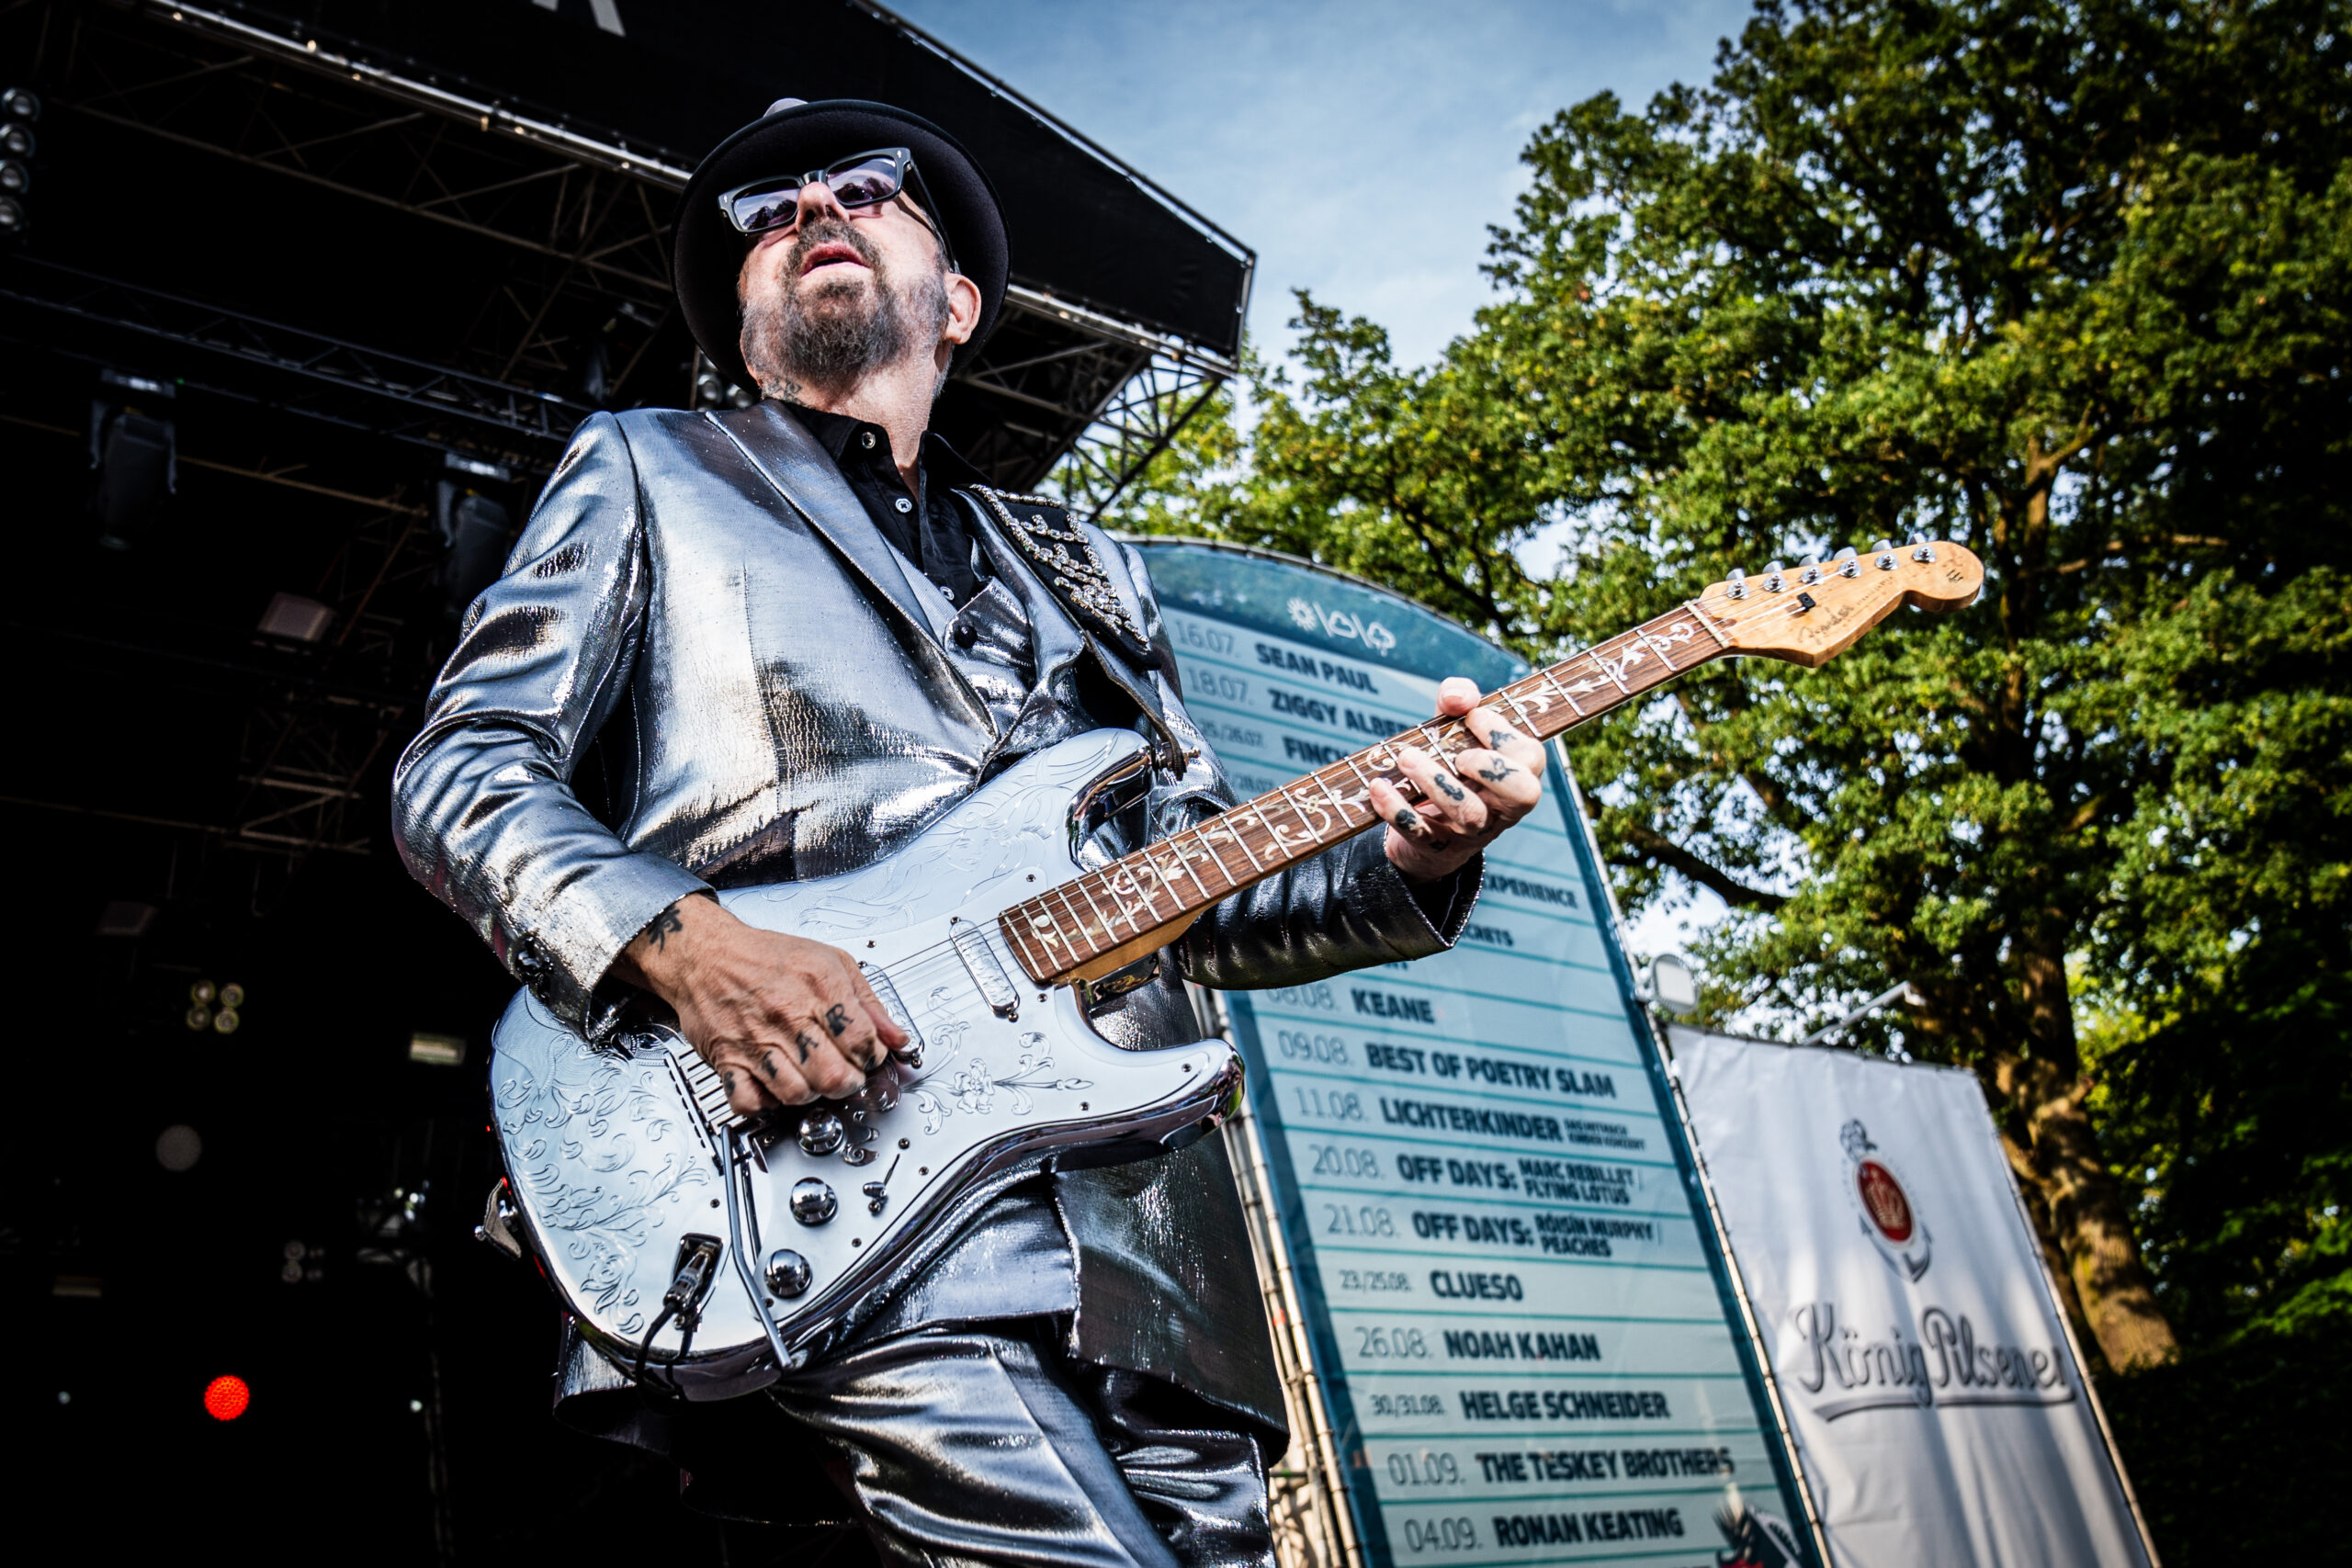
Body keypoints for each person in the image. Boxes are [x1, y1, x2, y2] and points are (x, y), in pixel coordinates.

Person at [392, 96, 1550, 1568]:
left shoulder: (1085, 568)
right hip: (837, 1156)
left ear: (958, 303)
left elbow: (1191, 879)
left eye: (865, 189)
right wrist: (685, 946)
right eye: (768, 215)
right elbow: (462, 770)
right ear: (745, 322)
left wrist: (1418, 852)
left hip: (1155, 1237)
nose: (809, 208)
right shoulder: (652, 467)